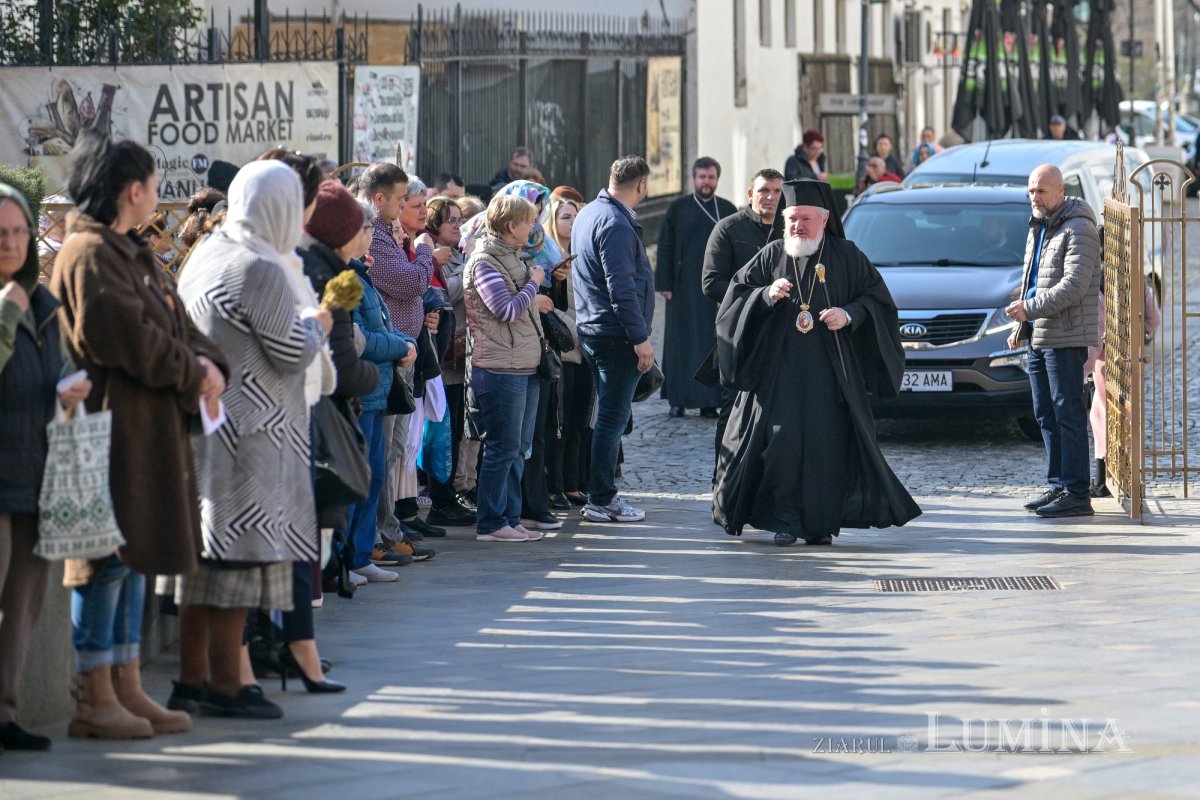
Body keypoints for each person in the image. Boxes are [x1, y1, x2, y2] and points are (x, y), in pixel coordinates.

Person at [53, 131, 227, 737]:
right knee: (104, 562)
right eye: (153, 184)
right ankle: (92, 694)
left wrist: (210, 364)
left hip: (147, 431)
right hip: (111, 431)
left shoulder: (127, 250)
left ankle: (126, 684)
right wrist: (193, 371)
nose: (159, 194)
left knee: (132, 558)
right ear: (132, 190)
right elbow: (125, 338)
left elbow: (177, 321)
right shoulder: (88, 254)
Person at [174, 160, 331, 719]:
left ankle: (191, 680)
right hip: (253, 438)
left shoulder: (207, 253)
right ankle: (226, 686)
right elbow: (292, 349)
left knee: (206, 567)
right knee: (236, 568)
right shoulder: (258, 266)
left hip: (213, 427)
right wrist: (318, 323)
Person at [713, 179, 921, 546]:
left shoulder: (847, 255)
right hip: (778, 377)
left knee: (827, 450)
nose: (797, 226)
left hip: (831, 376)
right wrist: (764, 295)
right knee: (780, 446)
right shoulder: (771, 254)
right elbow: (734, 300)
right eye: (792, 219)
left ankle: (820, 525)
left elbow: (878, 302)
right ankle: (785, 521)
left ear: (824, 221)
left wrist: (850, 314)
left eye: (805, 219)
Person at [0, 183, 91, 751]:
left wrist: (67, 395)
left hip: (36, 476)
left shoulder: (43, 304)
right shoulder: (14, 307)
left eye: (15, 232)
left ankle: (5, 714)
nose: (8, 243)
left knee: (23, 609)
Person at [293, 178, 384, 690]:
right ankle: (298, 641)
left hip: (315, 415)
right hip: (316, 420)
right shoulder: (325, 274)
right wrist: (373, 374)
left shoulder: (319, 266)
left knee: (317, 534)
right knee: (313, 533)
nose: (365, 237)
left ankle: (303, 638)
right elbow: (344, 366)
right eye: (358, 228)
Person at [1005, 164, 1102, 518]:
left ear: (1060, 191)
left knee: (1068, 414)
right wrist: (1022, 327)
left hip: (1066, 335)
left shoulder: (1080, 228)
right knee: (1045, 413)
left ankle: (1077, 493)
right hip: (1039, 335)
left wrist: (1028, 309)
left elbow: (1074, 286)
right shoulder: (1039, 225)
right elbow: (1031, 277)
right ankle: (1059, 485)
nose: (1034, 197)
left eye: (1041, 191)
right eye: (1031, 191)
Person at [359, 166, 445, 544]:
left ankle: (386, 529)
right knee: (384, 453)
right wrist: (427, 252)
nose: (406, 208)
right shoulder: (377, 236)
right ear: (380, 199)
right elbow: (409, 281)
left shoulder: (384, 235)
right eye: (400, 200)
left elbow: (408, 288)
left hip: (402, 352)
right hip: (389, 357)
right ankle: (380, 533)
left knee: (393, 451)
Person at [463, 193, 554, 542]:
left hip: (523, 364)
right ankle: (490, 522)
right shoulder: (485, 261)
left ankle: (511, 518)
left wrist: (534, 289)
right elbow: (505, 310)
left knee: (518, 448)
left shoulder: (513, 257)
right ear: (510, 225)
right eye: (528, 221)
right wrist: (533, 284)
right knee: (502, 448)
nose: (534, 226)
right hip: (500, 368)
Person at [572, 156, 656, 523]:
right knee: (611, 419)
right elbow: (620, 286)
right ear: (641, 185)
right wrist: (640, 338)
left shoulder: (590, 212)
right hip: (615, 335)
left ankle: (599, 493)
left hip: (595, 329)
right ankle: (602, 498)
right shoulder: (615, 222)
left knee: (606, 417)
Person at [346, 198, 418, 583]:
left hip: (376, 391)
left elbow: (381, 328)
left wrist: (407, 341)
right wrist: (399, 346)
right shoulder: (345, 279)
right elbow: (356, 338)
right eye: (368, 229)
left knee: (373, 475)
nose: (372, 236)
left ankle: (360, 555)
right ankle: (347, 557)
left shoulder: (361, 276)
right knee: (358, 477)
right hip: (360, 392)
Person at [701, 167, 785, 474]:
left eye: (777, 191)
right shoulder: (728, 229)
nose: (771, 197)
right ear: (751, 194)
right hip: (738, 333)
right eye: (764, 190)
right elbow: (711, 283)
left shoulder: (789, 230)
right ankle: (723, 480)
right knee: (733, 408)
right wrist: (759, 297)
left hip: (781, 334)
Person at [656, 156, 736, 417]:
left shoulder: (726, 208)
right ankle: (678, 398)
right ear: (693, 178)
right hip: (683, 287)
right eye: (702, 177)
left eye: (711, 177)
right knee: (680, 342)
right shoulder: (678, 208)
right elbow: (665, 246)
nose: (706, 182)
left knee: (709, 342)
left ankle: (708, 401)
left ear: (717, 180)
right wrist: (665, 283)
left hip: (715, 287)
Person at [543, 190, 591, 509]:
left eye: (576, 217)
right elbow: (548, 308)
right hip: (560, 348)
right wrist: (555, 280)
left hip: (585, 348)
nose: (572, 223)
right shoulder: (547, 260)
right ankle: (554, 485)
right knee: (556, 421)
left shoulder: (585, 256)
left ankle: (574, 483)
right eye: (565, 217)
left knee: (577, 419)